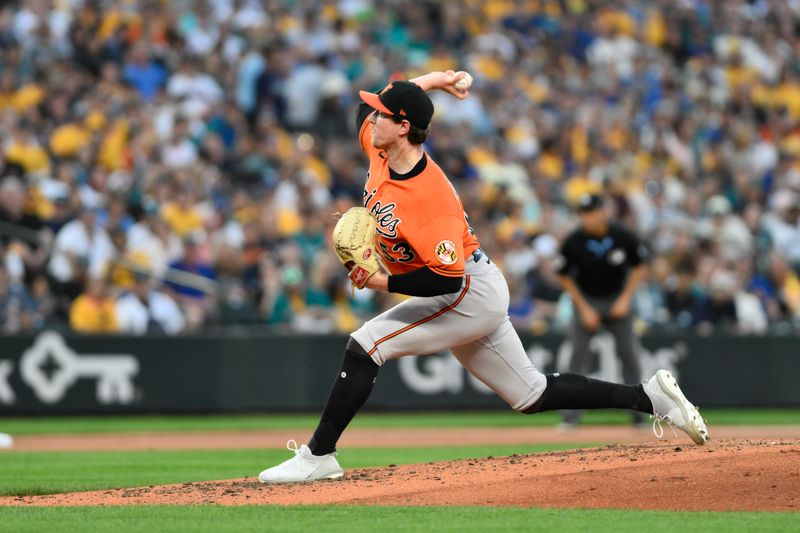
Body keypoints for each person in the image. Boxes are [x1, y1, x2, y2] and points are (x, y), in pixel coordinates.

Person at [258, 71, 708, 484]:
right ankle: (651, 398)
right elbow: (363, 112)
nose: (370, 116)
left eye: (382, 112)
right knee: (530, 393)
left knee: (366, 345)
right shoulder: (381, 147)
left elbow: (445, 282)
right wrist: (430, 81)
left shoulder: (430, 201)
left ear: (402, 127)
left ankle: (319, 455)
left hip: (466, 290)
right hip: (469, 284)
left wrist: (377, 282)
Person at [556, 193, 649, 427]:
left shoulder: (622, 236)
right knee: (577, 359)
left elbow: (640, 267)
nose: (587, 218)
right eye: (583, 213)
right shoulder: (574, 240)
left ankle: (639, 414)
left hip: (617, 299)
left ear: (603, 211)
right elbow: (564, 276)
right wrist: (583, 307)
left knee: (629, 355)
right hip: (587, 300)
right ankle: (570, 417)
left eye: (591, 212)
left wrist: (626, 299)